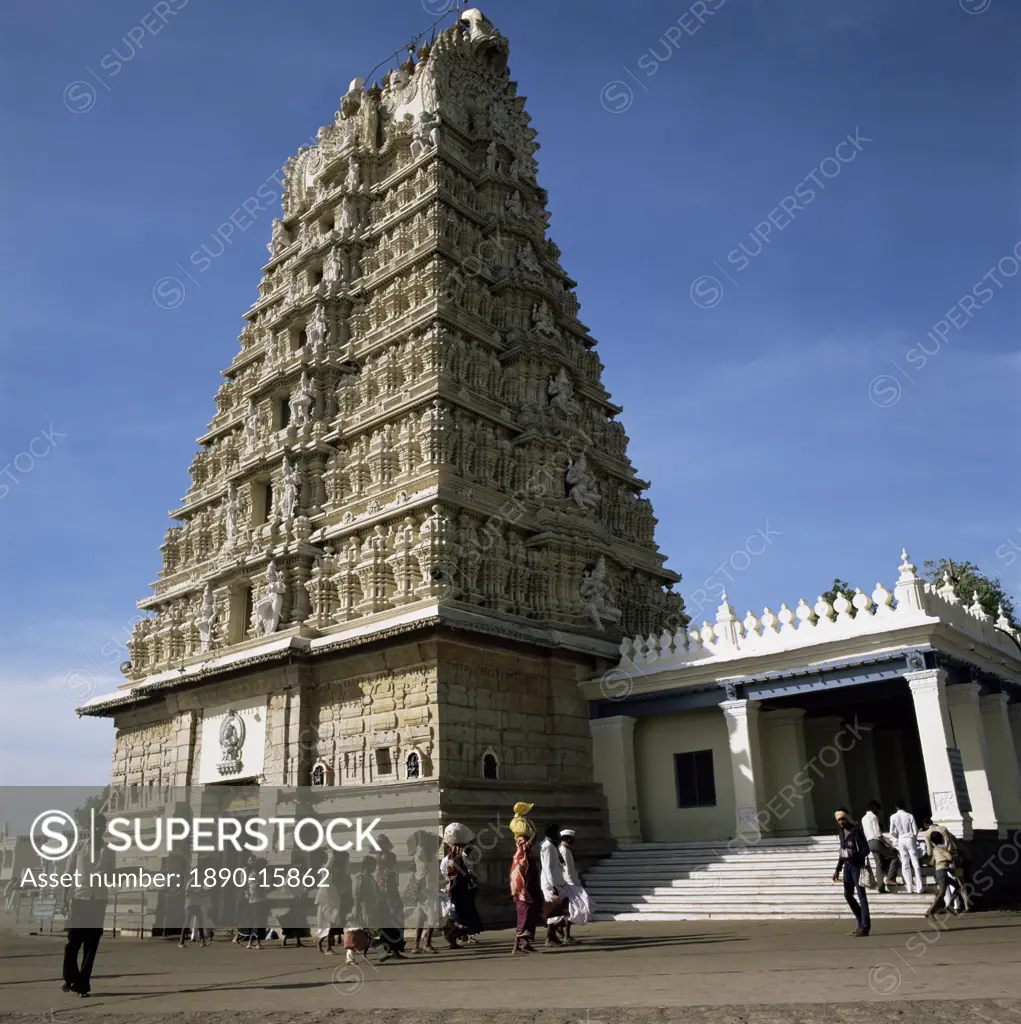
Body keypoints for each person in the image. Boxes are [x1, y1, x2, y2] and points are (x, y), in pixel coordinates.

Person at [62, 812, 116, 997]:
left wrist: (106, 875)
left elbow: (112, 876)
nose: (98, 829)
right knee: (72, 945)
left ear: (104, 828)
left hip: (98, 901)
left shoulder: (109, 851)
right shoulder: (78, 848)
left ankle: (82, 986)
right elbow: (68, 874)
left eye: (102, 826)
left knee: (91, 947)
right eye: (95, 826)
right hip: (79, 899)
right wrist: (63, 899)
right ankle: (70, 977)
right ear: (89, 828)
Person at [831, 808, 871, 937]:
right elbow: (842, 852)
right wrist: (838, 869)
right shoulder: (841, 833)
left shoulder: (856, 831)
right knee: (848, 894)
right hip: (847, 866)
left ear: (847, 818)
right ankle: (860, 922)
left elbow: (866, 849)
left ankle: (865, 927)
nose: (841, 822)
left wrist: (856, 857)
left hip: (857, 865)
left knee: (861, 896)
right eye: (839, 820)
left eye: (843, 819)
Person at [509, 802, 542, 955]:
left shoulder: (527, 857)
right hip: (523, 891)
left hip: (527, 889)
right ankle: (517, 945)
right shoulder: (521, 854)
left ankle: (525, 943)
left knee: (531, 910)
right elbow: (530, 842)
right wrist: (533, 831)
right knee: (524, 913)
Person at [442, 833, 483, 947]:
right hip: (457, 890)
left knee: (466, 915)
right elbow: (450, 875)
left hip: (464, 889)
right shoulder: (450, 860)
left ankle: (459, 937)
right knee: (459, 917)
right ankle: (453, 937)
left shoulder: (461, 858)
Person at [404, 833, 440, 954]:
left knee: (421, 917)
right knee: (431, 917)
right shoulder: (423, 855)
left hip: (429, 889)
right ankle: (427, 944)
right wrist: (421, 841)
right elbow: (420, 852)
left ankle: (416, 945)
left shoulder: (430, 856)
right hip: (426, 891)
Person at [557, 829, 591, 942]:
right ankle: (562, 929)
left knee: (573, 910)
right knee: (577, 909)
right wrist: (571, 882)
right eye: (572, 839)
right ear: (568, 839)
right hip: (569, 883)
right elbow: (565, 869)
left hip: (573, 882)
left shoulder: (567, 849)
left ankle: (564, 931)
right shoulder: (564, 850)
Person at [375, 845, 407, 962]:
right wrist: (391, 906)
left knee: (389, 929)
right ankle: (393, 951)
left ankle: (391, 951)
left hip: (389, 903)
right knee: (394, 929)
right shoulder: (388, 874)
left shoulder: (385, 872)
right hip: (391, 904)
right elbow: (386, 891)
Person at [539, 823, 569, 947]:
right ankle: (550, 937)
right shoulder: (548, 846)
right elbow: (547, 867)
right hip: (550, 882)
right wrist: (552, 886)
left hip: (555, 881)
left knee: (558, 908)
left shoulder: (551, 845)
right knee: (554, 909)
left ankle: (554, 935)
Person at [344, 855, 377, 965]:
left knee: (369, 932)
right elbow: (356, 896)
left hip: (370, 909)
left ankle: (381, 953)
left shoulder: (371, 878)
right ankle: (349, 957)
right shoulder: (360, 878)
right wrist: (357, 910)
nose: (375, 867)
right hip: (362, 909)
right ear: (367, 865)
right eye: (373, 864)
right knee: (356, 933)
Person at [925, 831, 966, 918]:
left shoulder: (935, 849)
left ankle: (949, 906)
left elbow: (932, 862)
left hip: (941, 871)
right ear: (941, 839)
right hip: (942, 871)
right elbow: (950, 858)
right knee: (942, 892)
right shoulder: (942, 848)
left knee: (957, 887)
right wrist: (955, 855)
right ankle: (930, 911)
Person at [861, 801, 898, 893]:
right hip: (876, 841)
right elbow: (878, 834)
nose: (878, 811)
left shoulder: (864, 818)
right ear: (874, 808)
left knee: (879, 864)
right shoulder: (874, 817)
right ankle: (890, 878)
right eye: (877, 809)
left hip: (869, 842)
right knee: (894, 857)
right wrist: (888, 844)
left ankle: (881, 886)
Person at [889, 799, 923, 894]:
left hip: (901, 839)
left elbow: (891, 832)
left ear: (896, 807)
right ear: (904, 806)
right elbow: (915, 830)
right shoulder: (909, 815)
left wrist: (898, 836)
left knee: (905, 863)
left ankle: (909, 888)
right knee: (915, 863)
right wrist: (913, 837)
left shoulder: (893, 817)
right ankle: (920, 887)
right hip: (910, 839)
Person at [315, 850, 343, 955]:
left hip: (331, 900)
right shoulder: (324, 872)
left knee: (331, 924)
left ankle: (321, 943)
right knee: (329, 924)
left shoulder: (330, 875)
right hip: (326, 901)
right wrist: (332, 854)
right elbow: (329, 864)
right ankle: (327, 947)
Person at [178, 867, 214, 947]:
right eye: (198, 873)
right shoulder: (191, 882)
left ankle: (202, 941)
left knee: (200, 921)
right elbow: (187, 893)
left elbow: (201, 892)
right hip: (189, 905)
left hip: (196, 905)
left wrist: (204, 893)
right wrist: (197, 892)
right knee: (187, 922)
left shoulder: (200, 882)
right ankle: (181, 942)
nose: (200, 874)